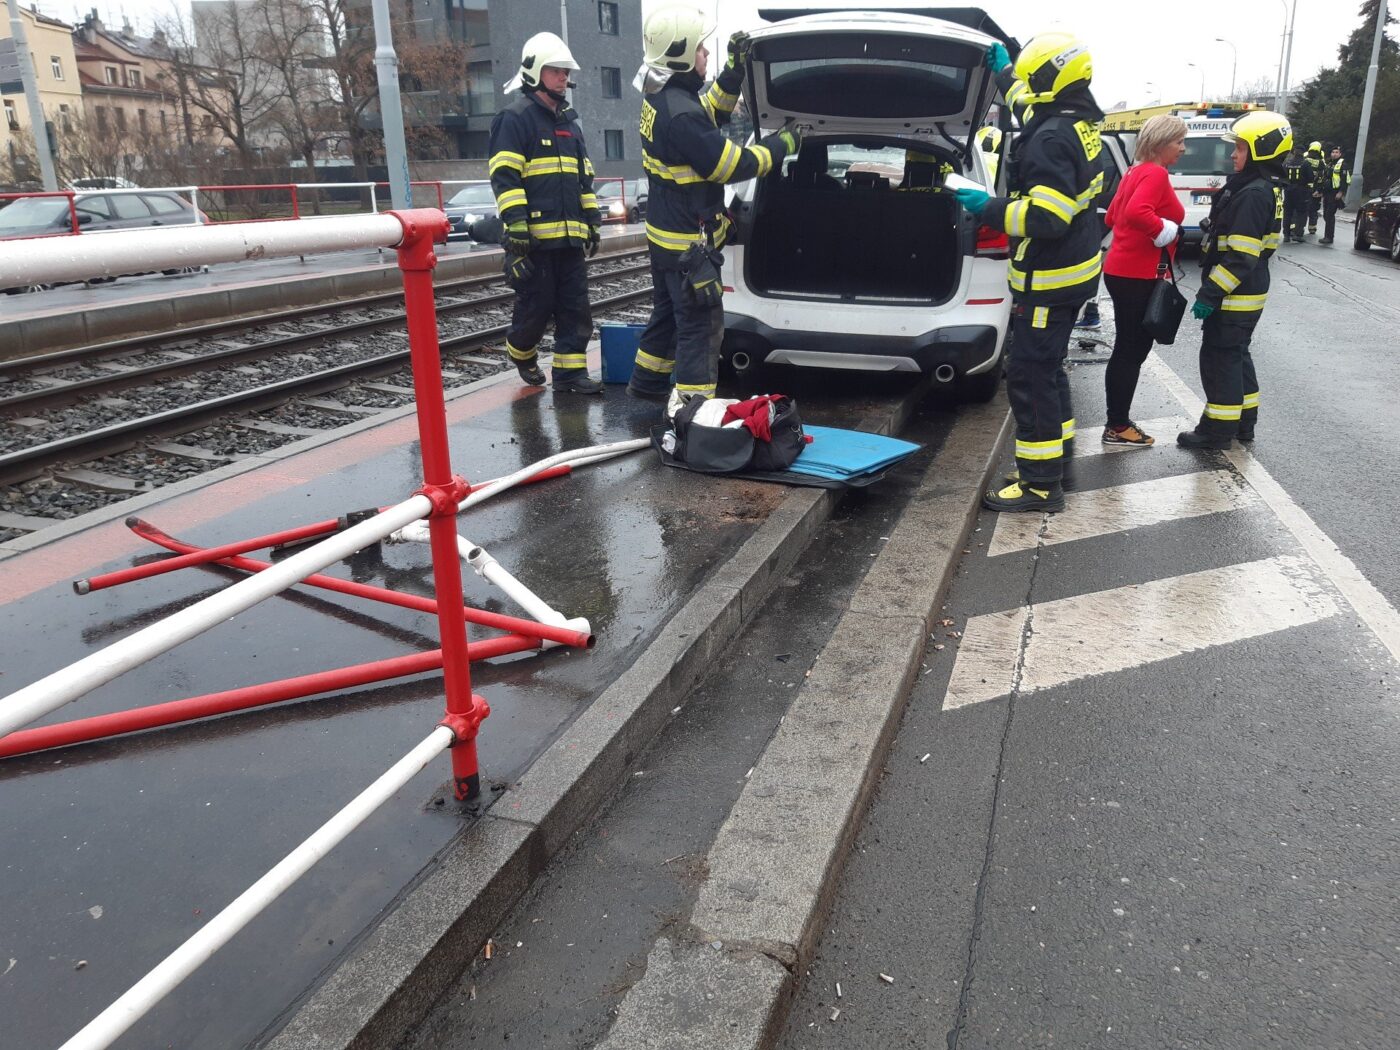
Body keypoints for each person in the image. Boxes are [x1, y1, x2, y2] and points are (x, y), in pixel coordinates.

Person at [954, 33, 1105, 513]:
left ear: (1049, 79)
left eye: (1029, 76)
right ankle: (1058, 463)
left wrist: (990, 207)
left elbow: (1047, 218)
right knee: (1049, 370)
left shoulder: (1052, 138)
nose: (1026, 84)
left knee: (1031, 377)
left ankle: (1040, 485)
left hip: (1050, 277)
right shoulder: (1075, 121)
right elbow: (1028, 104)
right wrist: (1004, 73)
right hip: (1073, 271)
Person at [626, 6, 800, 417]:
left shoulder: (663, 97)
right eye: (701, 48)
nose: (706, 53)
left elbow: (712, 112)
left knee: (667, 315)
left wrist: (734, 71)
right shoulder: (682, 114)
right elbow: (731, 165)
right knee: (700, 329)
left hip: (666, 237)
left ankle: (645, 387)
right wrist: (783, 146)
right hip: (689, 246)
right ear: (683, 54)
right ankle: (693, 412)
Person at [488, 32, 604, 394]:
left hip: (569, 241)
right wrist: (518, 229)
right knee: (535, 310)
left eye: (565, 72)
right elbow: (505, 179)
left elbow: (584, 179)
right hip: (534, 241)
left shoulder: (570, 123)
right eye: (556, 71)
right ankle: (520, 350)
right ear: (535, 72)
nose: (564, 79)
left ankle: (570, 375)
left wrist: (593, 222)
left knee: (575, 309)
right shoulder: (514, 119)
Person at [1178, 111, 1289, 450]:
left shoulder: (1253, 193)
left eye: (1240, 148)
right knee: (1237, 354)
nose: (1233, 154)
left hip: (1234, 293)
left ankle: (1217, 431)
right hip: (1249, 289)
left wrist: (1209, 294)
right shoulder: (1262, 188)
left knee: (1220, 357)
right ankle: (1244, 422)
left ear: (1260, 150)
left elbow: (1241, 256)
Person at [1097, 114, 1187, 447]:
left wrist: (1149, 229)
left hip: (1120, 270)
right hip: (1137, 274)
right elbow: (1136, 212)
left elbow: (1112, 216)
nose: (1182, 148)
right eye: (1179, 141)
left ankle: (1116, 422)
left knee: (1127, 347)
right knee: (1130, 351)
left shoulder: (1135, 171)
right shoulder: (1156, 173)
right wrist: (1164, 231)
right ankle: (1117, 425)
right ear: (1162, 143)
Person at [1319, 144, 1351, 244]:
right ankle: (1327, 236)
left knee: (1329, 215)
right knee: (1325, 215)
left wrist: (1341, 192)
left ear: (1340, 154)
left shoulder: (1343, 165)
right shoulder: (1329, 164)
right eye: (1333, 152)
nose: (1334, 154)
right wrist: (1319, 190)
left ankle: (1329, 237)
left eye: (1336, 152)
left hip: (1335, 193)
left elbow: (1344, 180)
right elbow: (1324, 178)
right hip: (1327, 193)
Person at [1282, 147, 1311, 243]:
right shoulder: (1305, 163)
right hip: (1301, 191)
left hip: (1288, 190)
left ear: (1294, 152)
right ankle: (1298, 234)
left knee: (1287, 213)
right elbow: (1310, 177)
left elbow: (1282, 176)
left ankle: (1286, 235)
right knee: (1301, 212)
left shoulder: (1287, 163)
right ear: (1303, 153)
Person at [1304, 140, 1325, 236]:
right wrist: (1319, 190)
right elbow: (1322, 177)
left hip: (1304, 188)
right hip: (1315, 190)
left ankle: (1299, 228)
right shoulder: (1321, 162)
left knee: (1302, 208)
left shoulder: (1305, 159)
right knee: (1313, 210)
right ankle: (1312, 228)